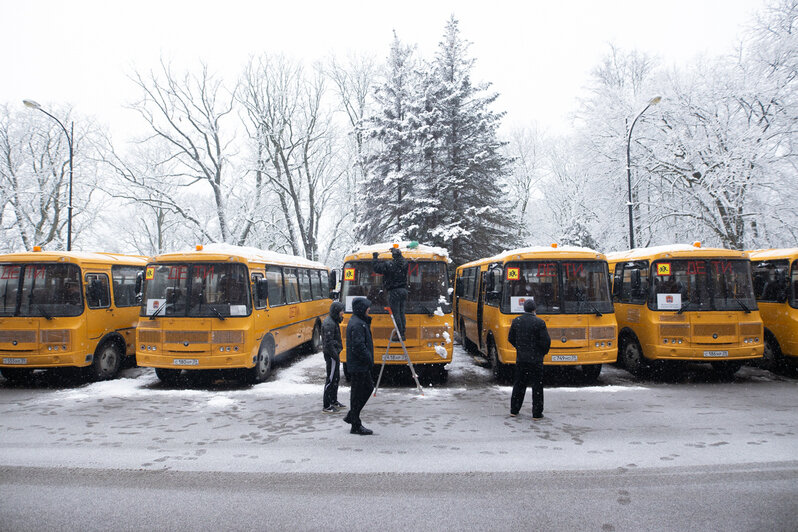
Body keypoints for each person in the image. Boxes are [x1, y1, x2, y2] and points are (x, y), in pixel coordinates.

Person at [508, 299, 551, 420]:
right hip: (536, 360)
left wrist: (520, 348)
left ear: (524, 309)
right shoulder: (539, 322)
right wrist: (540, 353)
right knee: (537, 386)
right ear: (534, 309)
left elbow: (510, 338)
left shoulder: (517, 321)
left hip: (521, 359)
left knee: (519, 384)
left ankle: (514, 410)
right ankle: (537, 413)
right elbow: (546, 342)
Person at [343, 297, 375, 435]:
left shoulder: (360, 321)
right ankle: (355, 424)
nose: (369, 309)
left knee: (366, 389)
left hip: (359, 364)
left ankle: (352, 416)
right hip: (358, 365)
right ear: (362, 308)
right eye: (367, 307)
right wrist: (368, 359)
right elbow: (358, 346)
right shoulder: (357, 324)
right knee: (358, 394)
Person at [372, 246, 408, 339]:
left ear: (393, 256)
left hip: (394, 291)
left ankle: (400, 334)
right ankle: (402, 331)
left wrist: (375, 257)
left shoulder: (389, 265)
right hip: (404, 291)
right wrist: (398, 253)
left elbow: (376, 268)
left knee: (396, 313)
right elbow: (401, 260)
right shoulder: (405, 263)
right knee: (401, 312)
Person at [322, 301, 346, 414]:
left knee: (335, 378)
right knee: (331, 379)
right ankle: (326, 405)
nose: (343, 313)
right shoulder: (329, 323)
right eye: (342, 311)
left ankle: (333, 400)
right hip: (332, 356)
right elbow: (328, 343)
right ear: (337, 311)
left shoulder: (333, 321)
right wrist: (335, 356)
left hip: (334, 355)